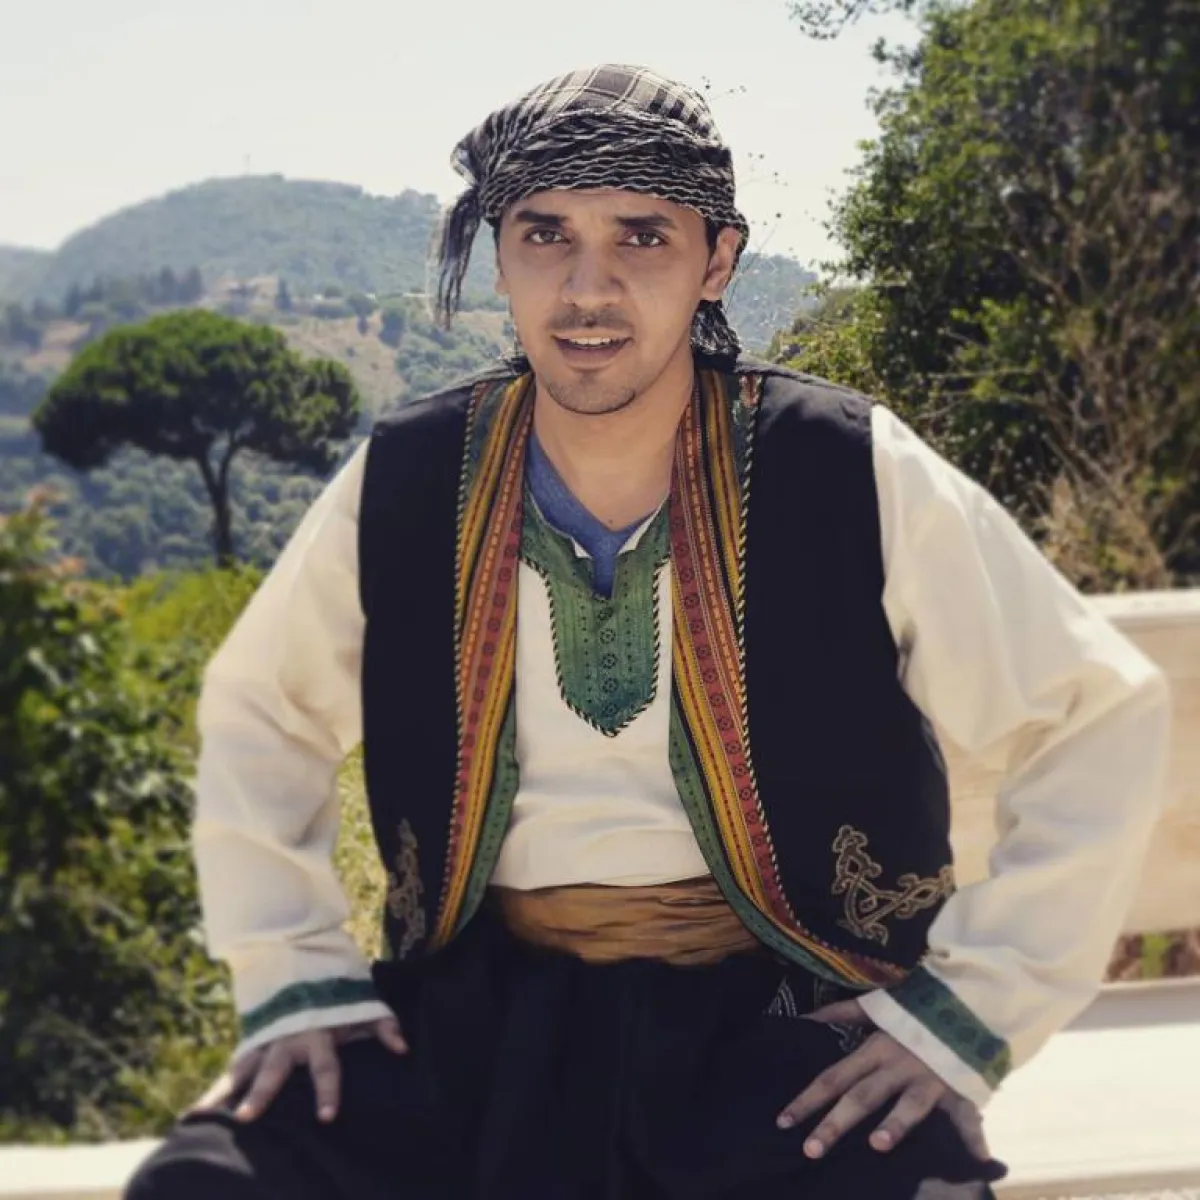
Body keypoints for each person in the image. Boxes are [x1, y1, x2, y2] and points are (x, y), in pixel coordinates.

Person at [125, 64, 1171, 1200]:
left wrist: (966, 1013)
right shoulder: (412, 474)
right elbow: (261, 711)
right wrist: (295, 974)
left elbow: (1097, 711)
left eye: (641, 236)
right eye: (544, 235)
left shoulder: (845, 466)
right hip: (476, 1021)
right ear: (499, 259)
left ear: (716, 259)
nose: (589, 289)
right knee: (205, 1184)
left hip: (786, 1025)